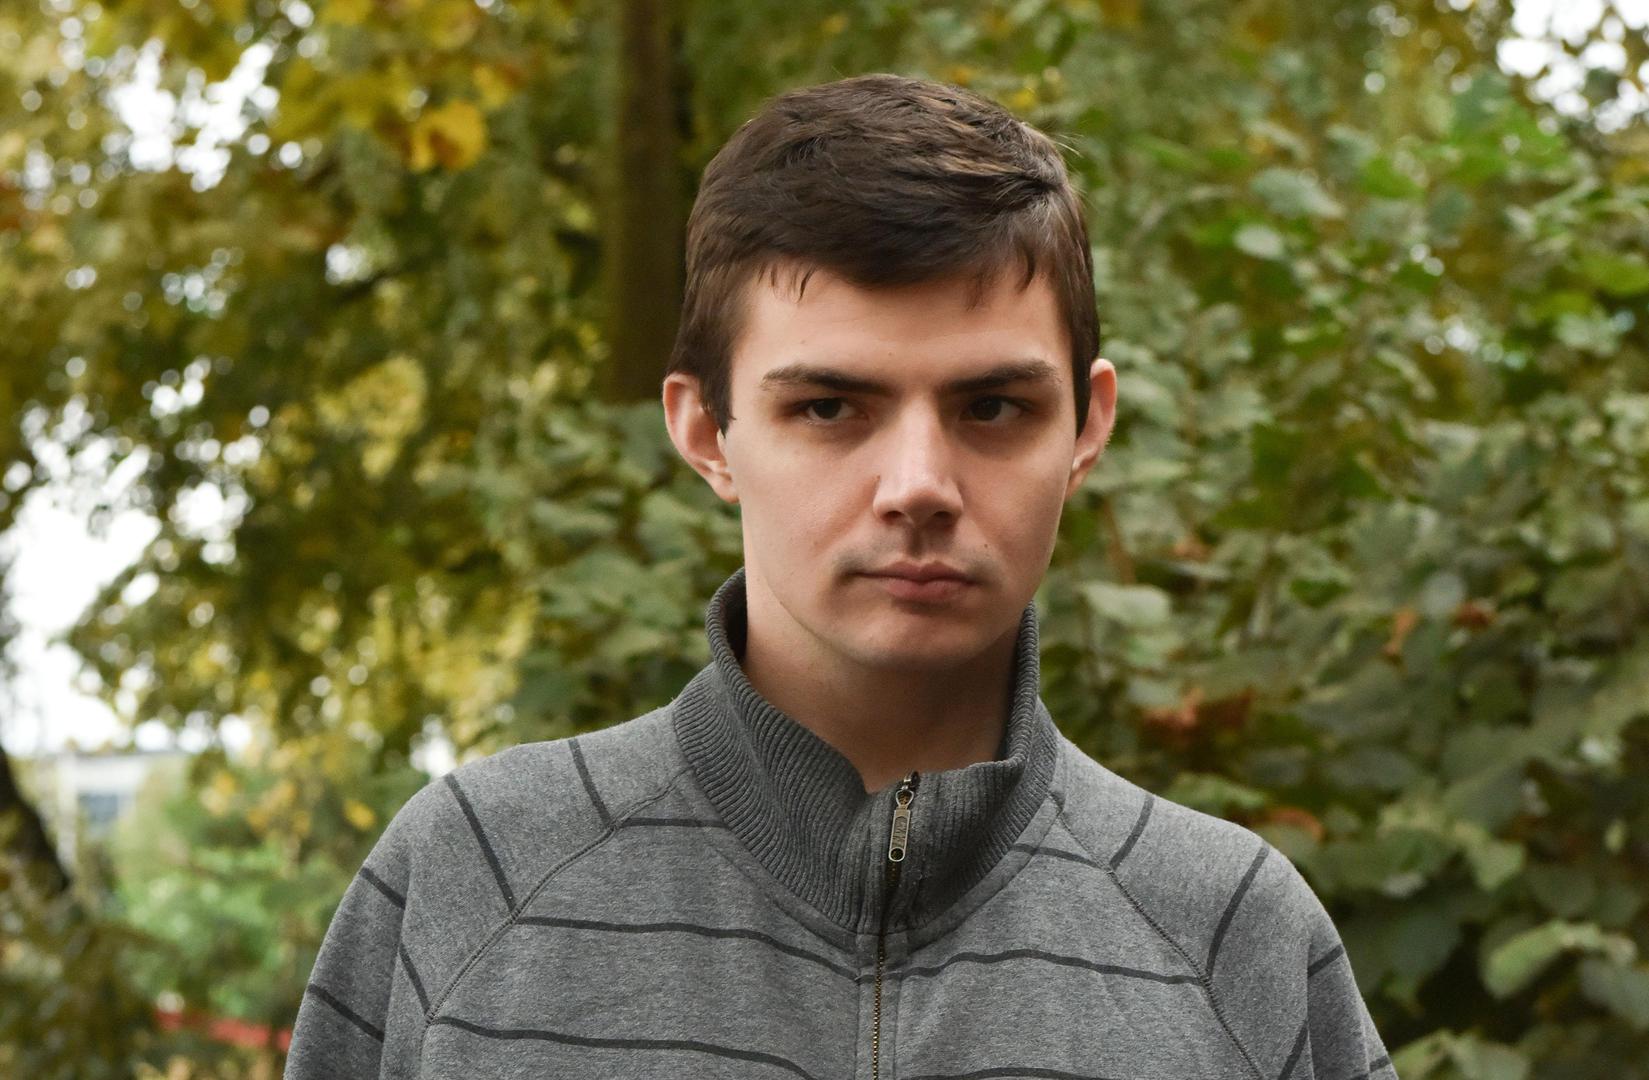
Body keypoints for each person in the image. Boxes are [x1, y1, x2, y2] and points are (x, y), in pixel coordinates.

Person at [284, 73, 1396, 1080]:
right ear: (706, 432)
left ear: (1086, 427)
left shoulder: (1233, 938)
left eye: (992, 407)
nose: (918, 486)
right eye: (828, 408)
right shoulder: (471, 879)